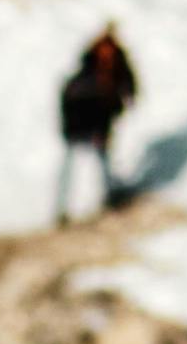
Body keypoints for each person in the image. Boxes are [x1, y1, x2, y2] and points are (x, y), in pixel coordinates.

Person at [56, 23, 139, 219]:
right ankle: (106, 198)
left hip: (84, 123)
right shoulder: (99, 83)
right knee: (96, 161)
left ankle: (67, 206)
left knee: (88, 163)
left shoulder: (84, 77)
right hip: (89, 122)